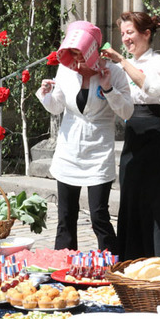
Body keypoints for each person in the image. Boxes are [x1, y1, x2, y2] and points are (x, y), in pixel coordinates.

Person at [36, 20, 133, 253]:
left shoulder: (115, 72)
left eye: (80, 53)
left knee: (99, 214)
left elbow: (127, 111)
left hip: (98, 150)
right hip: (69, 150)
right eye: (72, 53)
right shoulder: (65, 70)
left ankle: (112, 265)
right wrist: (47, 94)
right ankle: (64, 267)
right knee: (65, 216)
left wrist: (109, 88)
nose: (77, 59)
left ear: (92, 50)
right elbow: (57, 107)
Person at [102, 11, 160, 261]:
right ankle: (133, 256)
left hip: (153, 130)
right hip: (132, 128)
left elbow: (154, 87)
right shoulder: (122, 66)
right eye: (122, 34)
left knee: (154, 194)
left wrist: (121, 60)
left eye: (130, 32)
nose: (126, 38)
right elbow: (120, 101)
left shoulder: (158, 61)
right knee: (130, 193)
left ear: (146, 34)